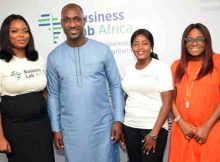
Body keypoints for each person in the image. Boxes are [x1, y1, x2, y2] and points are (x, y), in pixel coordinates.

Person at [46, 3, 125, 162]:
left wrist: (118, 119)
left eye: (76, 19)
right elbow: (53, 95)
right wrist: (56, 129)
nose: (72, 24)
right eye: (67, 20)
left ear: (84, 21)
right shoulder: (54, 57)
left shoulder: (102, 50)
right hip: (72, 131)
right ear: (61, 23)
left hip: (103, 127)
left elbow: (116, 86)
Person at [0, 14, 54, 162]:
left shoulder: (38, 59)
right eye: (15, 31)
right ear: (6, 34)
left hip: (42, 126)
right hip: (15, 129)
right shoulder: (1, 62)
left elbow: (45, 92)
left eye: (25, 30)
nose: (21, 35)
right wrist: (0, 137)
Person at [169, 23, 220, 162]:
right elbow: (169, 99)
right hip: (183, 132)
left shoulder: (218, 62)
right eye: (190, 40)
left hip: (211, 131)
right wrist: (181, 123)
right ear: (184, 43)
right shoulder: (176, 66)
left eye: (199, 39)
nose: (194, 43)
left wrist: (207, 126)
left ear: (206, 41)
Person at [121, 29, 173, 162]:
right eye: (135, 44)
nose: (140, 47)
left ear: (151, 46)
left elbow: (167, 103)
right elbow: (127, 97)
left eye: (144, 43)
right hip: (130, 127)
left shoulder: (161, 67)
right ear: (132, 47)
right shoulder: (128, 68)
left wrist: (154, 134)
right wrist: (122, 126)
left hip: (153, 128)